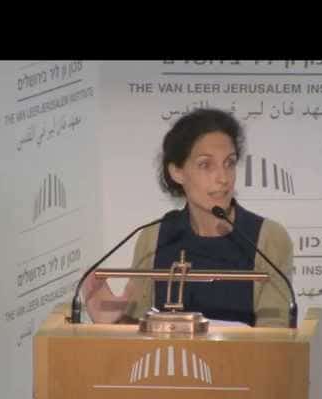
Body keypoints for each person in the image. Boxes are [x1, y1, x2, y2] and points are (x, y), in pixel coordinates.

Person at [83, 108, 295, 327]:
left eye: (229, 163)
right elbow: (139, 332)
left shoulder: (268, 238)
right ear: (177, 172)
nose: (223, 178)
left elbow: (275, 337)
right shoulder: (154, 238)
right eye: (206, 165)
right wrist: (111, 323)